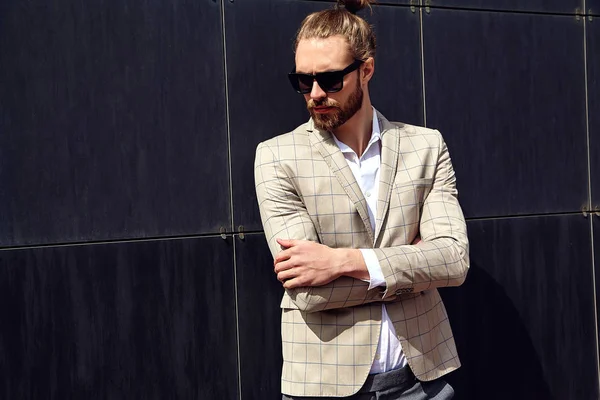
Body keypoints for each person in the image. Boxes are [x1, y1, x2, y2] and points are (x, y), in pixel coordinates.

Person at [254, 0, 469, 398]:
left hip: (421, 380)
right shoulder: (276, 157)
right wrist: (415, 270)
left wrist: (343, 262)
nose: (315, 94)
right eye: (303, 81)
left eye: (331, 80)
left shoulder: (425, 146)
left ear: (365, 70)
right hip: (323, 385)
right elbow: (309, 291)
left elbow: (454, 260)